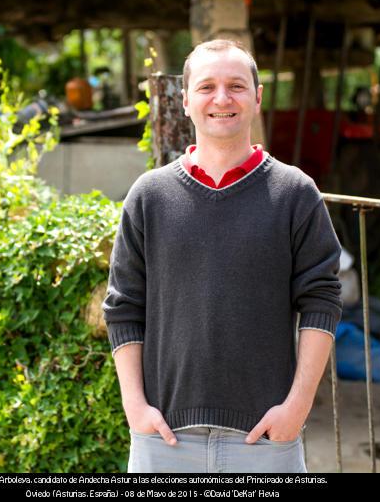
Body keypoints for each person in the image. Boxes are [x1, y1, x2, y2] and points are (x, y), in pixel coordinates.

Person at [102, 39, 342, 473]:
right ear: (185, 100)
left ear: (257, 97)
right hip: (164, 443)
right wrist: (135, 408)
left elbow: (321, 303)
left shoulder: (295, 194)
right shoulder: (148, 197)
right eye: (207, 87)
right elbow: (123, 309)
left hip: (266, 441)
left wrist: (297, 407)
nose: (222, 99)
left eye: (236, 86)